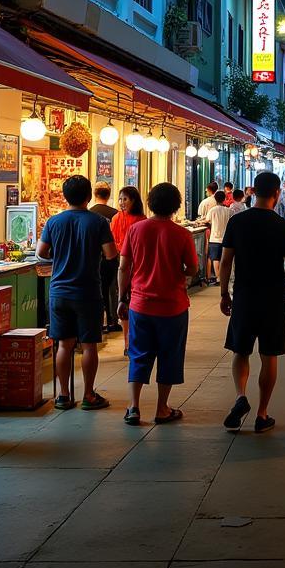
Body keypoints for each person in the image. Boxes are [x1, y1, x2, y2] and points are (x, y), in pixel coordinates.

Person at [219, 172, 285, 434]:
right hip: (274, 297)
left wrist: (224, 293)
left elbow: (225, 262)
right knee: (269, 355)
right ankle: (262, 413)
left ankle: (240, 396)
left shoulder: (237, 221)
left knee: (240, 350)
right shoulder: (283, 225)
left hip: (244, 294)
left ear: (253, 191)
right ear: (277, 193)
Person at [117, 182, 197, 425]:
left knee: (138, 354)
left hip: (140, 305)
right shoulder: (182, 234)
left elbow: (123, 267)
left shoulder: (135, 230)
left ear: (149, 203)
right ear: (175, 206)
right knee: (169, 355)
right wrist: (179, 273)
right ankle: (162, 408)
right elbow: (193, 267)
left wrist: (122, 298)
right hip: (173, 306)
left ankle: (133, 407)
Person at [37, 175, 118, 411]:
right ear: (88, 196)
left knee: (63, 344)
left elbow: (41, 252)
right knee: (90, 345)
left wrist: (60, 258)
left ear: (65, 196)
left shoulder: (54, 222)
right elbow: (111, 254)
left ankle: (63, 395)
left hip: (59, 291)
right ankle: (89, 395)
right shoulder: (98, 222)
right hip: (88, 291)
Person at [111, 187, 147, 347]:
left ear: (134, 200)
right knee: (123, 302)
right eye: (120, 199)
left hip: (136, 265)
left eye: (125, 199)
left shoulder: (141, 220)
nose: (122, 202)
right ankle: (127, 342)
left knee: (134, 304)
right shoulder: (116, 218)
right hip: (120, 262)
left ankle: (134, 339)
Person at [89, 182, 121, 334]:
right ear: (108, 195)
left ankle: (98, 322)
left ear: (94, 195)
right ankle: (113, 320)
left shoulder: (89, 213)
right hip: (112, 256)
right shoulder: (116, 213)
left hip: (94, 258)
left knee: (97, 290)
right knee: (112, 289)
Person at [204, 190, 235, 285]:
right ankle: (224, 277)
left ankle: (218, 278)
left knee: (215, 259)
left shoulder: (212, 210)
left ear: (215, 199)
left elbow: (207, 220)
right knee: (224, 259)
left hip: (215, 238)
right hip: (226, 238)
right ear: (224, 199)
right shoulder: (229, 211)